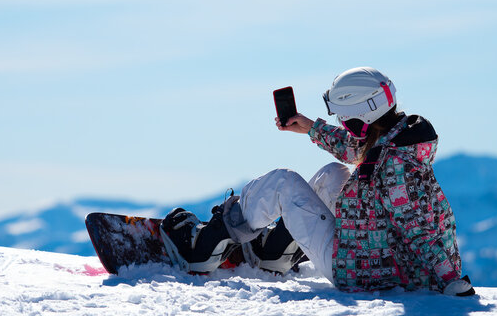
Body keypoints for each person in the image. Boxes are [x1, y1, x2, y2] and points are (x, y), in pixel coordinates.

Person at [161, 67, 474, 296]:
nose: (343, 124)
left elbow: (420, 231)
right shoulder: (396, 139)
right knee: (332, 174)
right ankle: (274, 253)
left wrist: (451, 281)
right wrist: (310, 127)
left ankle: (202, 249)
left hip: (362, 272)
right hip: (374, 257)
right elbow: (356, 149)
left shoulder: (397, 169)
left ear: (363, 114)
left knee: (283, 183)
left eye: (344, 118)